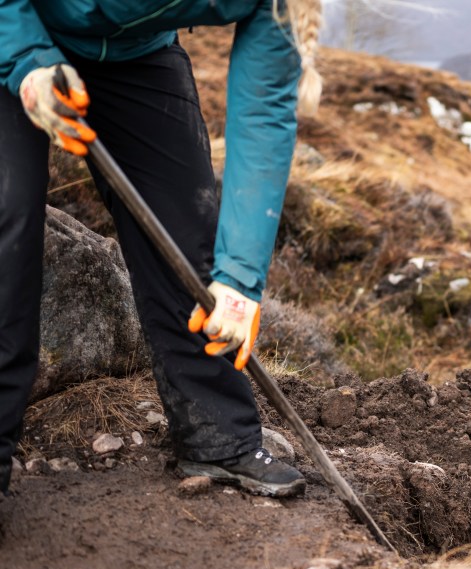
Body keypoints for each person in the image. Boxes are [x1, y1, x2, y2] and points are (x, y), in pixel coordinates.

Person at [0, 0, 327, 499]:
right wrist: (26, 59)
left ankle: (219, 440)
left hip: (134, 53)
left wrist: (240, 279)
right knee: (10, 218)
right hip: (14, 22)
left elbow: (263, 112)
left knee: (186, 230)